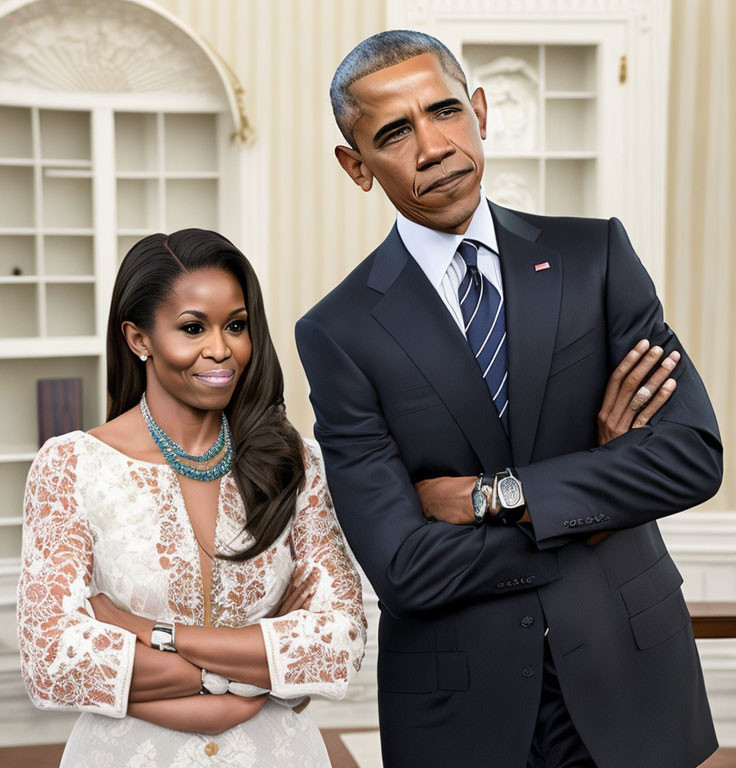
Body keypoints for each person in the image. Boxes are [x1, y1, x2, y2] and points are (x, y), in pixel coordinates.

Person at [294, 30, 722, 768]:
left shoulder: (597, 257)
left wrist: (499, 495)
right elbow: (403, 567)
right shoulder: (337, 332)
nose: (433, 146)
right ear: (355, 166)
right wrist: (592, 512)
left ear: (481, 111)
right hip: (462, 708)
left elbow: (691, 456)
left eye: (446, 111)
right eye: (395, 132)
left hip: (632, 675)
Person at [16, 229, 366, 767]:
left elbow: (339, 644)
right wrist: (259, 672)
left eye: (236, 325)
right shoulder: (72, 467)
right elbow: (52, 660)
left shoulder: (294, 463)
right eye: (192, 328)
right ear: (139, 339)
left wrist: (144, 632)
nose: (221, 349)